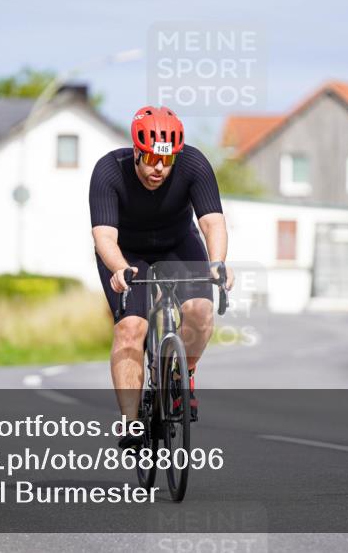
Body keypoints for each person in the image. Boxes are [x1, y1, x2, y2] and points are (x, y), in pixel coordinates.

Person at [89, 106, 234, 449]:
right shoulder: (109, 171)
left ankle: (184, 375)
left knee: (200, 311)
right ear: (137, 152)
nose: (159, 169)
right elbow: (104, 237)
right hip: (126, 253)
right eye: (152, 159)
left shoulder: (194, 164)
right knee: (131, 330)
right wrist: (119, 269)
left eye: (167, 162)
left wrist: (217, 263)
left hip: (177, 245)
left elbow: (212, 222)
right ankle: (131, 423)